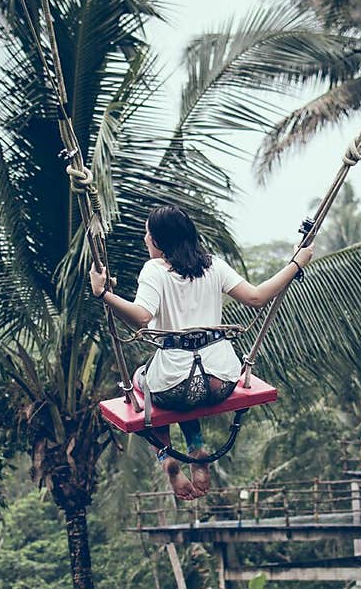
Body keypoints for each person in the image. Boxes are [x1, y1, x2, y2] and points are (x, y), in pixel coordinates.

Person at [90, 204, 314, 499]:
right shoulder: (213, 265)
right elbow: (258, 297)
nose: (145, 239)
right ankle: (196, 448)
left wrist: (104, 294)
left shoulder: (154, 271)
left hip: (175, 384)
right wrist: (296, 265)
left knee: (146, 382)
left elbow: (142, 316)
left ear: (158, 241)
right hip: (221, 381)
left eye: (147, 234)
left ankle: (166, 457)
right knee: (187, 389)